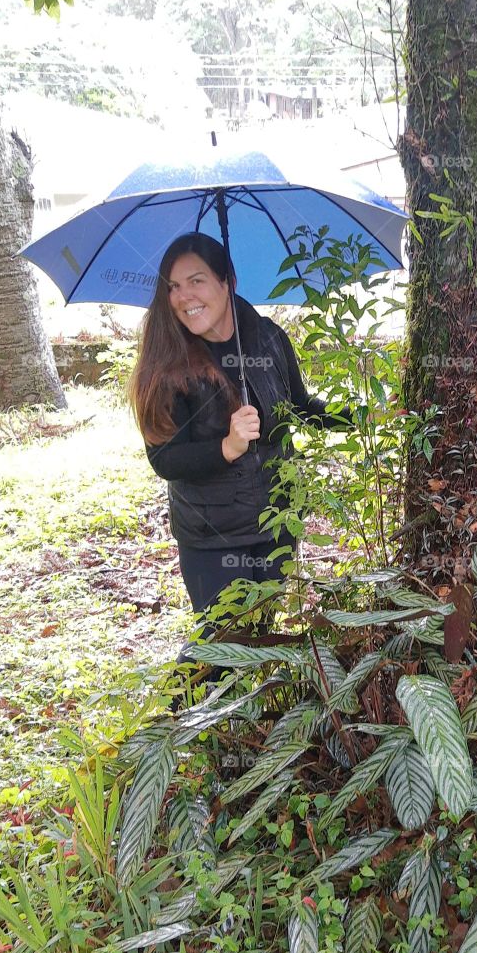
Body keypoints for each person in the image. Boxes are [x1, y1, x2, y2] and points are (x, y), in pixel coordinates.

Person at [128, 232, 349, 672]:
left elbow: (300, 408)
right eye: (173, 287)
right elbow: (164, 458)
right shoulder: (169, 360)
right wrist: (226, 447)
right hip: (214, 537)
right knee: (220, 650)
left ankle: (244, 733)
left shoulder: (266, 338)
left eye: (196, 281)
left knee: (258, 641)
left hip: (276, 522)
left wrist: (361, 416)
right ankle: (178, 729)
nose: (183, 297)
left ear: (227, 280)